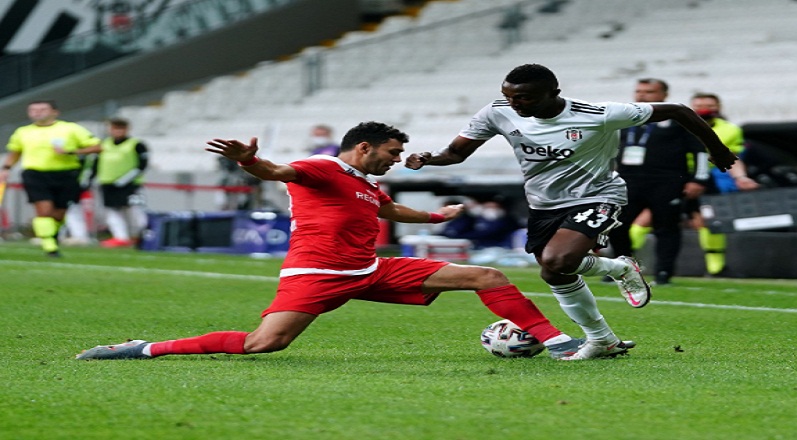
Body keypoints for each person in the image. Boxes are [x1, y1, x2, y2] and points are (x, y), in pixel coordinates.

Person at [77, 121, 600, 361]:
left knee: (486, 275)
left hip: (369, 267)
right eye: (393, 152)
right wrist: (245, 160)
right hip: (317, 273)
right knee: (265, 344)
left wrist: (434, 215)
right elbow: (278, 170)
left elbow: (391, 209)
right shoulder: (323, 167)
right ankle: (145, 348)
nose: (397, 159)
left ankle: (558, 342)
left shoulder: (369, 184)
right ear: (365, 147)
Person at [405, 64, 736, 359]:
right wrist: (429, 158)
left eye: (525, 99)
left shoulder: (599, 113)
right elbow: (456, 152)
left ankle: (620, 268)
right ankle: (603, 340)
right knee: (553, 273)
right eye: (510, 97)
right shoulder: (498, 111)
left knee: (559, 261)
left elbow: (679, 110)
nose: (516, 105)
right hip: (543, 204)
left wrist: (718, 151)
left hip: (598, 195)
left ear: (554, 93)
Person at [606, 79, 712, 286]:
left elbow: (699, 150)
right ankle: (624, 268)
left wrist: (699, 179)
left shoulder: (679, 120)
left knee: (667, 227)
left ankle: (664, 272)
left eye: (649, 91)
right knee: (616, 224)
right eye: (639, 91)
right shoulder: (625, 120)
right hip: (629, 181)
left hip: (668, 181)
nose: (642, 95)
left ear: (664, 95)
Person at [0, 100, 102, 257]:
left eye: (42, 109)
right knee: (44, 210)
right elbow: (15, 152)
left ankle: (51, 235)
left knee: (60, 213)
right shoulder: (23, 131)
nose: (37, 113)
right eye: (33, 110)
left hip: (66, 174)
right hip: (35, 174)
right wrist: (6, 168)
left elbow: (98, 147)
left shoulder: (70, 129)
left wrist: (72, 151)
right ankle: (50, 246)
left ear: (55, 112)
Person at [687, 93, 759, 277]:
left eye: (709, 105)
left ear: (718, 107)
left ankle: (716, 268)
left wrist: (741, 177)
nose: (704, 108)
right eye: (699, 105)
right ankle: (621, 263)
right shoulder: (679, 127)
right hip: (675, 174)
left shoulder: (730, 130)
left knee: (708, 221)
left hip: (706, 178)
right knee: (646, 218)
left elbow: (732, 158)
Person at [92, 117, 149, 247]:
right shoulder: (104, 144)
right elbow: (95, 164)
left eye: (120, 128)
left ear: (127, 129)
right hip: (107, 183)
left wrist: (124, 180)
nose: (117, 131)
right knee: (111, 211)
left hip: (130, 185)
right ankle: (120, 237)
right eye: (114, 128)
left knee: (135, 210)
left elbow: (142, 164)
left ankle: (141, 236)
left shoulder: (136, 144)